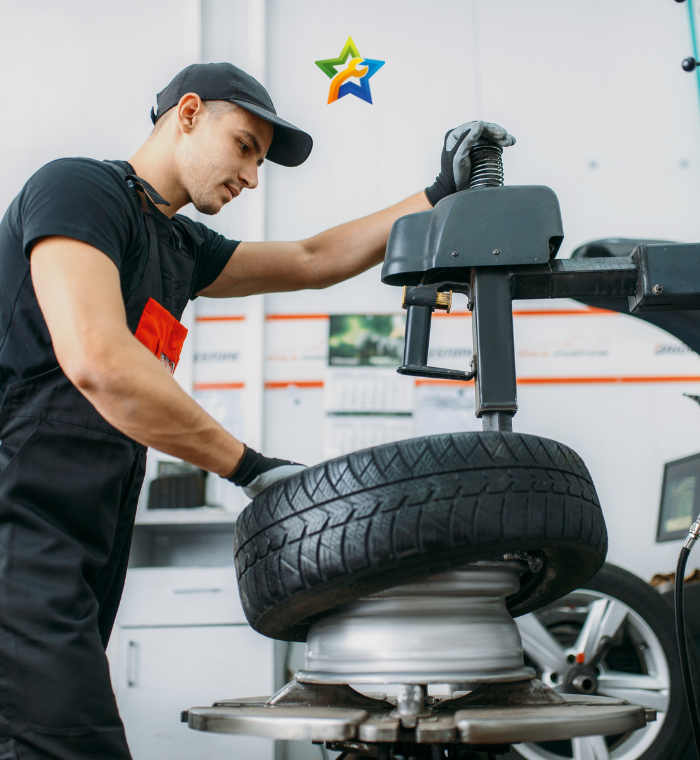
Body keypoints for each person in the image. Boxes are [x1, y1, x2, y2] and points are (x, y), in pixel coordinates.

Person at [0, 61, 514, 760]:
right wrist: (250, 467)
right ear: (187, 113)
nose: (251, 176)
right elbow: (97, 360)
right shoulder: (79, 189)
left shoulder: (179, 245)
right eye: (244, 146)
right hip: (18, 517)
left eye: (261, 160)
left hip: (86, 532)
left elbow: (311, 257)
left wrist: (437, 197)